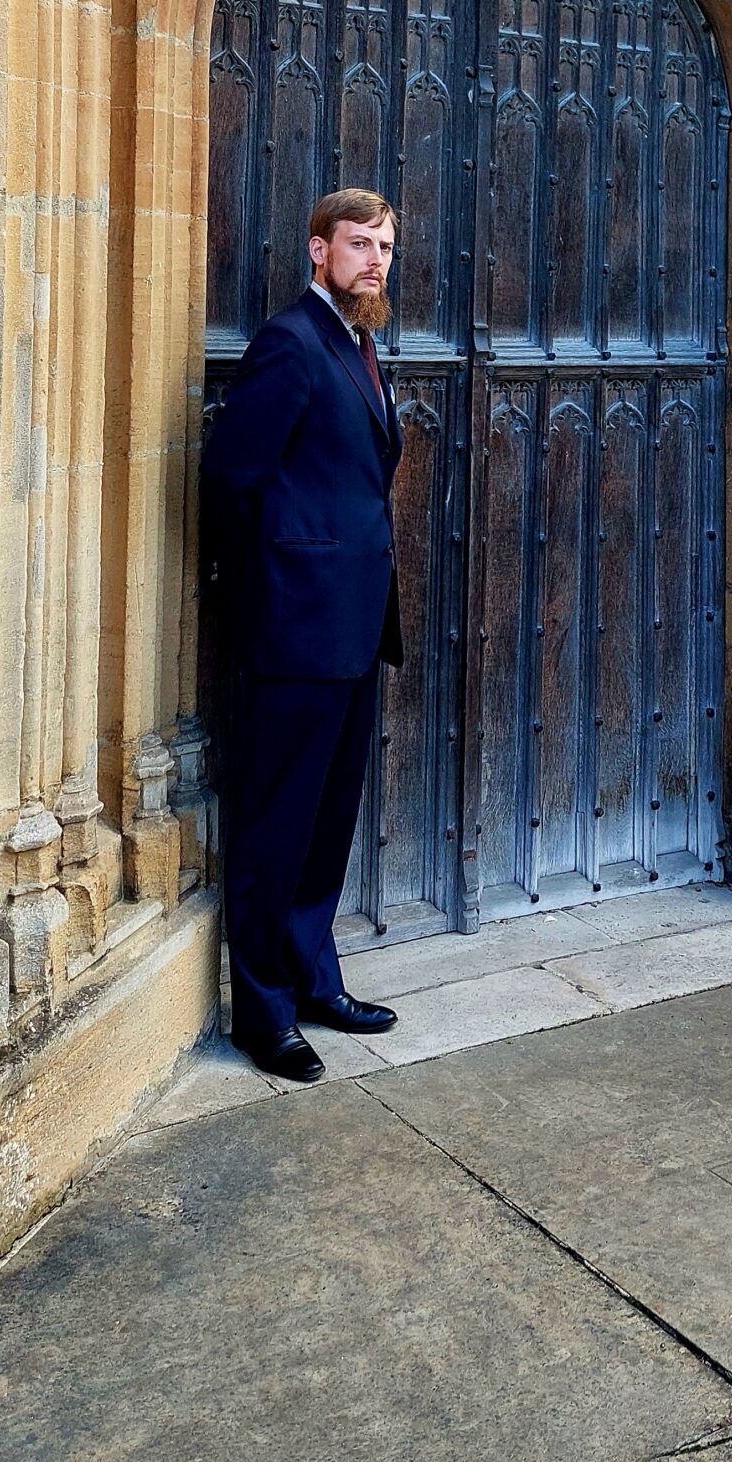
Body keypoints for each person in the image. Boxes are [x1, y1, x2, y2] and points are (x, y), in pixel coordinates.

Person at [201, 189, 406, 1081]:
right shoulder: (290, 341)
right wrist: (269, 598)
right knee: (277, 824)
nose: (375, 261)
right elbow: (230, 479)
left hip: (354, 626)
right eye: (359, 244)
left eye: (387, 246)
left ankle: (316, 977)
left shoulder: (359, 344)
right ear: (318, 250)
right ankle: (263, 1014)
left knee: (328, 823)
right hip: (295, 629)